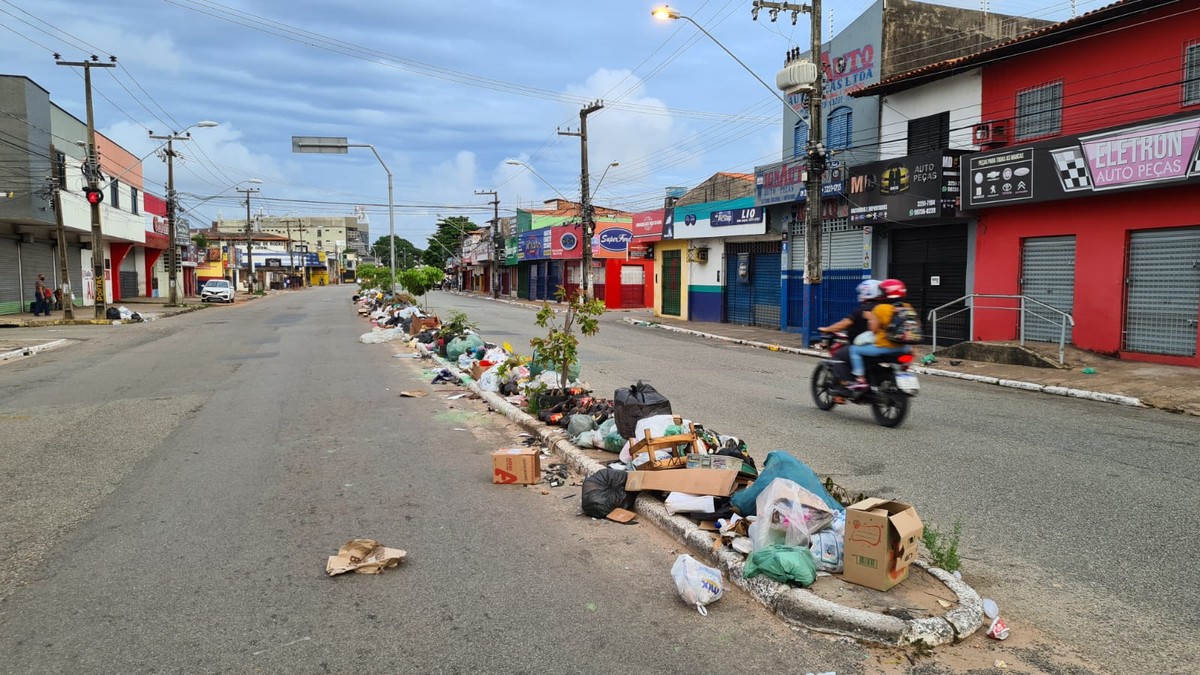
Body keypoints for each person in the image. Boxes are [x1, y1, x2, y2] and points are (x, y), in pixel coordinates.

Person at [848, 278, 913, 392]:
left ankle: (860, 379)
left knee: (854, 349)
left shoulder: (881, 308)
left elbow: (873, 329)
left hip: (884, 347)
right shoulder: (907, 307)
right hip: (904, 348)